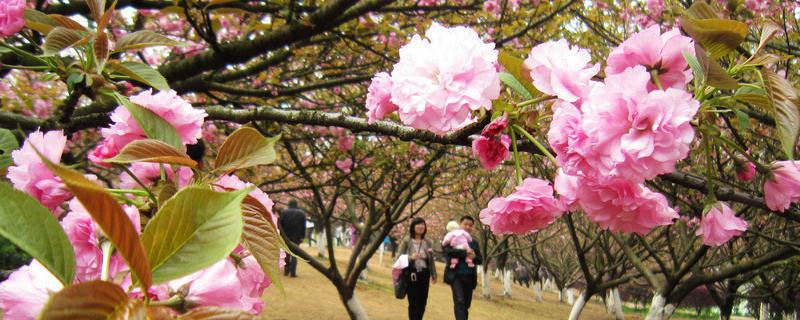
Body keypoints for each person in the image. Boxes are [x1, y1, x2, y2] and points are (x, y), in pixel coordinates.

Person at [397, 218, 438, 320]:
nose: (421, 227)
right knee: (413, 301)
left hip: (424, 274)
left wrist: (434, 274)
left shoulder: (428, 242)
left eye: (423, 224)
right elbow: (399, 257)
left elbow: (431, 259)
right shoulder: (407, 240)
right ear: (413, 227)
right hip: (412, 274)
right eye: (418, 224)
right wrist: (410, 258)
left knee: (423, 302)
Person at [443, 216, 482, 320]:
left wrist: (473, 257)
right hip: (456, 275)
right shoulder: (451, 237)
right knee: (459, 301)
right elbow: (449, 253)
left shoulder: (474, 242)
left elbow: (480, 260)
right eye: (465, 224)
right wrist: (465, 253)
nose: (467, 227)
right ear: (460, 224)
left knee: (466, 304)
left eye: (470, 225)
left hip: (469, 276)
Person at [278, 199, 306, 277]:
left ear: (289, 205)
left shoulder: (285, 213)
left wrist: (281, 235)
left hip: (286, 236)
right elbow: (303, 226)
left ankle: (286, 271)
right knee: (294, 254)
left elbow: (280, 224)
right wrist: (302, 236)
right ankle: (293, 273)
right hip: (296, 236)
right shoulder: (301, 214)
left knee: (287, 253)